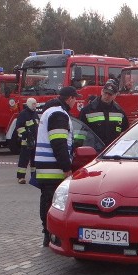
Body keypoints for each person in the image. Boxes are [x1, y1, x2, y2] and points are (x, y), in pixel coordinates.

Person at [34, 86, 79, 246]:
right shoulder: (59, 114)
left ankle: (48, 233)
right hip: (53, 167)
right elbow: (58, 142)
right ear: (70, 99)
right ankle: (50, 233)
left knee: (47, 198)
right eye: (75, 99)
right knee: (51, 202)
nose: (76, 102)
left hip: (46, 166)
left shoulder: (50, 111)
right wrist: (66, 167)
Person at [79, 79, 129, 147]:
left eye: (110, 94)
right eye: (105, 93)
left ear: (115, 95)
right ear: (102, 92)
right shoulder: (87, 110)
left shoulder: (119, 112)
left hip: (112, 149)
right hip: (93, 150)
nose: (107, 96)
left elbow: (125, 132)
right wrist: (79, 147)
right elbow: (80, 134)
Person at [15, 97, 40, 184]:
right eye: (33, 104)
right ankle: (21, 177)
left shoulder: (35, 114)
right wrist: (27, 135)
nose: (35, 105)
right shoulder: (23, 114)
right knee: (24, 159)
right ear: (29, 104)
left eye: (35, 104)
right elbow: (19, 127)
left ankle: (33, 177)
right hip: (26, 141)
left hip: (35, 141)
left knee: (34, 160)